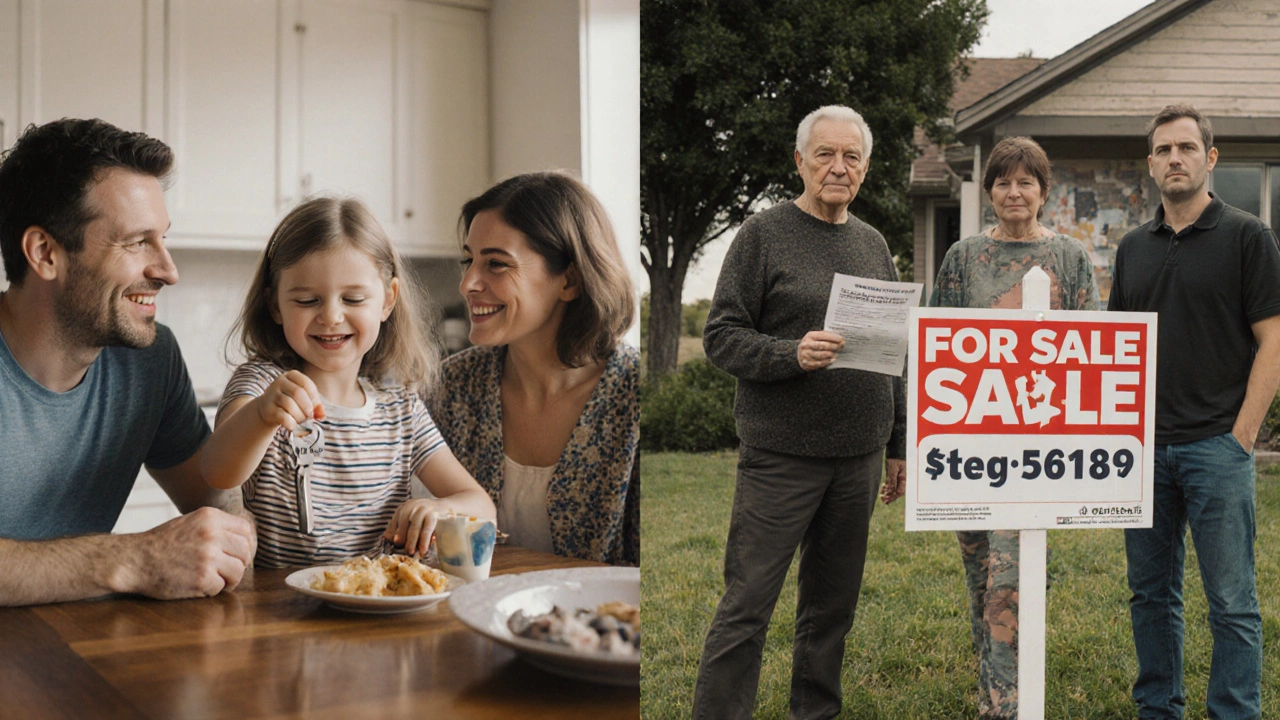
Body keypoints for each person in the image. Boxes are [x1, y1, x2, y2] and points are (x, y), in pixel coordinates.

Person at [693, 105, 906, 720]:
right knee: (748, 604)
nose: (838, 168)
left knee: (831, 609)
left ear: (864, 168)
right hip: (782, 456)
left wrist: (896, 442)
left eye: (851, 158)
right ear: (800, 161)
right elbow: (721, 335)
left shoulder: (873, 244)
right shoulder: (762, 235)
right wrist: (792, 352)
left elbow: (891, 352)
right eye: (825, 155)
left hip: (859, 456)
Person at [0, 118, 256, 606]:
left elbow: (221, 506)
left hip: (79, 663)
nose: (168, 270)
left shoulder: (150, 362)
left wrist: (229, 541)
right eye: (137, 242)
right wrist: (134, 559)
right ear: (44, 253)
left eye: (163, 238)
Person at [201, 197, 494, 568]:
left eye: (353, 298)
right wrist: (261, 416)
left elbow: (481, 505)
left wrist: (442, 507)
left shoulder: (399, 407)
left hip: (379, 604)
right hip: (282, 609)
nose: (331, 316)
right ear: (275, 305)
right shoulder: (263, 386)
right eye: (307, 300)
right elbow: (217, 470)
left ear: (387, 301)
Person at [1109, 105, 1280, 720]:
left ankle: (1232, 711)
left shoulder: (1247, 236)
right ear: (1151, 164)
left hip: (1217, 448)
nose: (1174, 158)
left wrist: (1243, 436)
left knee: (1231, 601)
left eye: (1186, 147)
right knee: (1151, 595)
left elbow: (1274, 341)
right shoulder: (1132, 248)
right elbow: (1116, 353)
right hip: (1143, 451)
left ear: (1210, 159)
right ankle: (1159, 707)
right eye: (1163, 149)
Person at [930, 136, 1099, 719]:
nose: (1013, 192)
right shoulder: (962, 258)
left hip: (1036, 455)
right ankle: (995, 697)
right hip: (971, 453)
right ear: (989, 192)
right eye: (1003, 182)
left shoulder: (1070, 260)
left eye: (1026, 181)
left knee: (1013, 589)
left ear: (1044, 191)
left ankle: (1006, 709)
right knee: (982, 585)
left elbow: (1091, 356)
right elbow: (938, 354)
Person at [427, 172, 639, 566]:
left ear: (570, 281)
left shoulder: (635, 393)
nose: (468, 283)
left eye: (496, 263)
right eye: (468, 260)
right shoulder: (450, 387)